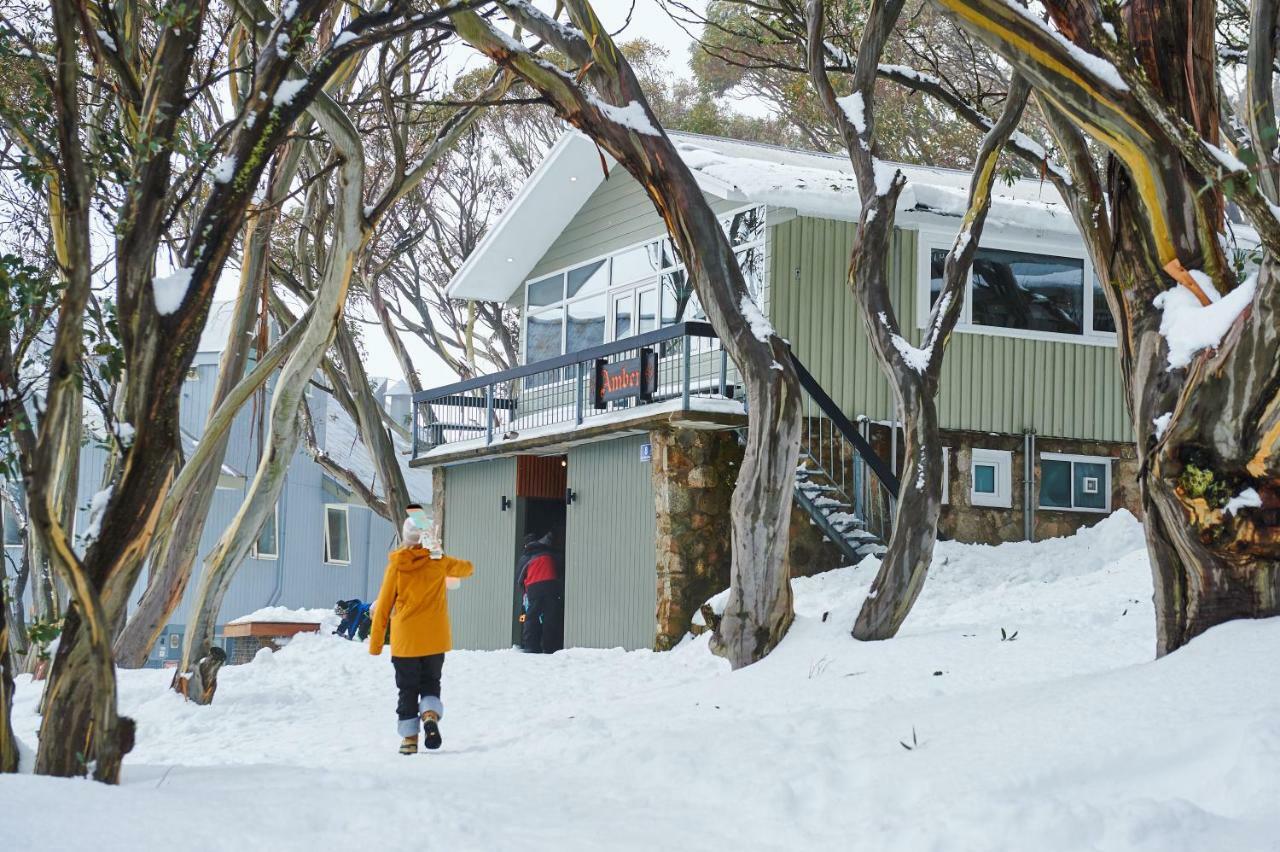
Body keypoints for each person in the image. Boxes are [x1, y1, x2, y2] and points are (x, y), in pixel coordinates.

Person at [369, 516, 473, 755]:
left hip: (406, 640)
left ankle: (409, 740)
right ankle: (429, 714)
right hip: (435, 638)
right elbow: (467, 568)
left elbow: (384, 605)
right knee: (430, 683)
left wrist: (376, 644)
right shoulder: (438, 561)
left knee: (407, 689)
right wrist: (439, 553)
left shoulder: (397, 565)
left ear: (405, 538)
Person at [516, 531, 563, 654]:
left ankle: (531, 646)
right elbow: (559, 568)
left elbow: (519, 578)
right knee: (550, 618)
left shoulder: (526, 556)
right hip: (551, 587)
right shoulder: (549, 554)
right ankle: (550, 647)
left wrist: (524, 591)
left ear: (526, 545)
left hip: (534, 588)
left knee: (531, 618)